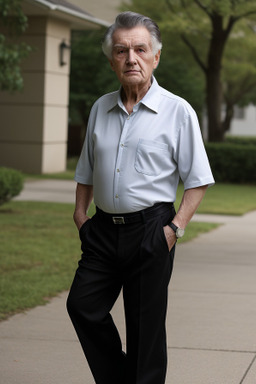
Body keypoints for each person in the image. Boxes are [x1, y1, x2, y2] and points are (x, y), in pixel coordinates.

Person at [67, 11, 214, 384]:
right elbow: (85, 170)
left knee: (145, 330)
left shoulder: (178, 111)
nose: (131, 58)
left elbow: (197, 180)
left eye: (139, 49)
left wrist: (174, 229)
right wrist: (81, 215)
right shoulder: (100, 107)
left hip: (151, 230)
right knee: (82, 306)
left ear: (156, 56)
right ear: (112, 59)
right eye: (121, 50)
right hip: (101, 231)